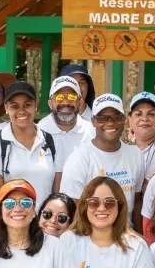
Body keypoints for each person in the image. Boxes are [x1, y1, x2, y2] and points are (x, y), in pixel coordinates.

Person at [61, 94, 146, 222]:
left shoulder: (135, 155)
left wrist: (139, 236)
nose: (110, 123)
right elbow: (73, 209)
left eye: (116, 117)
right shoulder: (78, 160)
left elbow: (137, 201)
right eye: (102, 118)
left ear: (124, 119)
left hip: (126, 236)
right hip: (91, 237)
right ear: (93, 121)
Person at [0, 81, 62, 200]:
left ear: (36, 105)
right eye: (14, 106)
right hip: (12, 217)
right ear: (6, 108)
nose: (21, 111)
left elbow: (57, 194)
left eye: (27, 105)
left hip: (46, 218)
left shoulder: (52, 141)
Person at [38, 75, 93, 162]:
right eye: (59, 97)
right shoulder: (38, 133)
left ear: (80, 103)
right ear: (50, 104)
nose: (66, 102)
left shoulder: (92, 133)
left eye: (72, 97)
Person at [127, 91, 155, 184]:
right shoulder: (120, 149)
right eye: (138, 114)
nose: (144, 118)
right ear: (129, 120)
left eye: (151, 114)